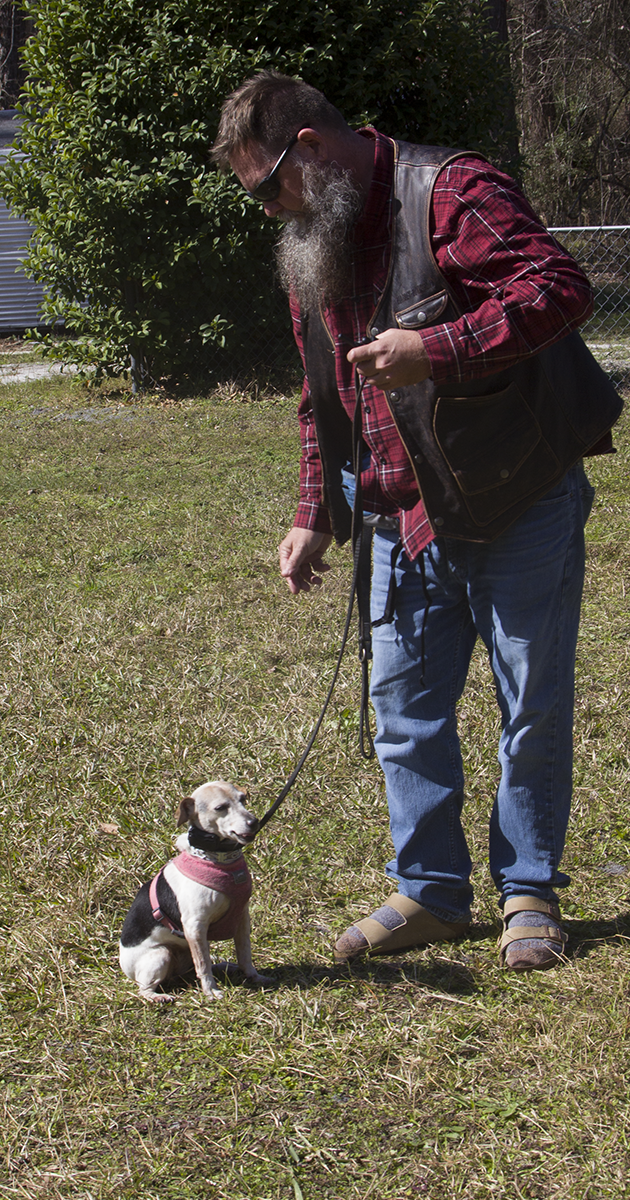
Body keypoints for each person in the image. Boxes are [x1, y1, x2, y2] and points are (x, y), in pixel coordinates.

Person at [212, 71, 622, 971]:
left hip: (515, 498)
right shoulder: (313, 248)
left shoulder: (449, 191)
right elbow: (326, 394)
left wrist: (434, 346)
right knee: (404, 713)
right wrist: (315, 510)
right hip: (399, 517)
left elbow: (558, 286)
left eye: (264, 187)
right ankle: (432, 892)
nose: (267, 210)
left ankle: (528, 894)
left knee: (531, 707)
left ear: (309, 150)